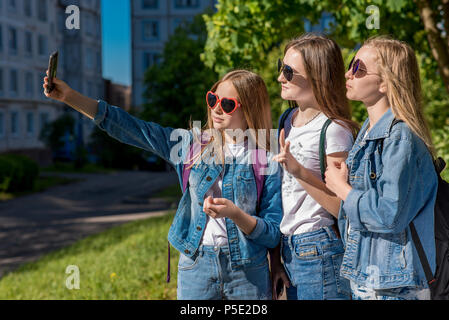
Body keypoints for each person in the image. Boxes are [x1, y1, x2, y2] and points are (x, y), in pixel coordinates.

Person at [43, 69, 283, 300]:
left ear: (250, 108)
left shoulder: (266, 156)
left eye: (228, 104)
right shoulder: (191, 145)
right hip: (196, 266)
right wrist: (69, 96)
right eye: (213, 99)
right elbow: (132, 128)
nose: (216, 109)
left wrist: (236, 215)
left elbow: (272, 234)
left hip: (247, 271)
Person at [325, 36, 438, 300]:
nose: (347, 74)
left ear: (385, 83)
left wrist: (343, 189)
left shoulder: (400, 137)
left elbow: (389, 214)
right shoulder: (368, 132)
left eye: (358, 68)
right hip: (371, 279)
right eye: (350, 65)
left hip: (395, 286)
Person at [270, 33, 359, 300]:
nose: (279, 78)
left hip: (320, 250)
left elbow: (342, 207)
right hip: (288, 249)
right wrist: (275, 258)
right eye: (280, 67)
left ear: (318, 76)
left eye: (288, 71)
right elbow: (280, 197)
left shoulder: (334, 130)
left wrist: (298, 171)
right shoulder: (287, 119)